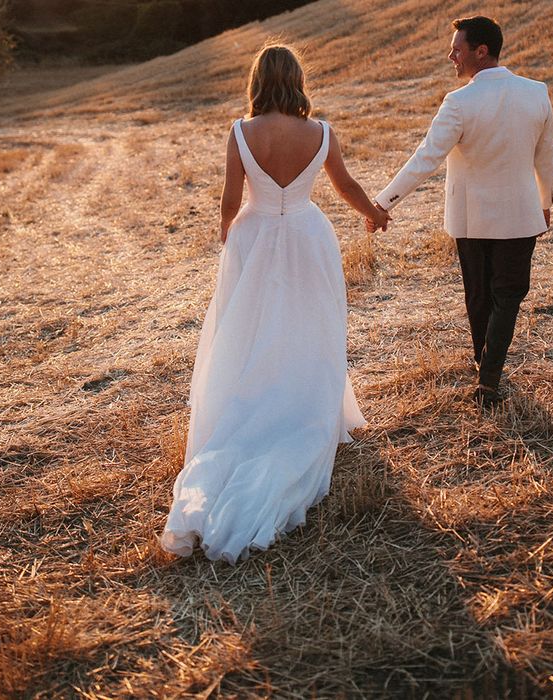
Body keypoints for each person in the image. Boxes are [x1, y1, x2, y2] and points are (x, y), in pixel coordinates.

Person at [161, 44, 390, 564]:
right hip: (309, 236)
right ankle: (304, 402)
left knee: (248, 332)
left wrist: (233, 240)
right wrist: (373, 213)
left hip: (254, 235)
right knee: (310, 326)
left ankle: (251, 403)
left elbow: (229, 199)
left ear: (258, 81)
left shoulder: (241, 133)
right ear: (297, 80)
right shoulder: (321, 132)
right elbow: (346, 185)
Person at [369, 16, 553, 408]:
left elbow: (426, 159)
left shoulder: (459, 102)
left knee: (479, 295)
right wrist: (544, 202)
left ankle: (485, 371)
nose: (450, 56)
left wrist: (383, 202)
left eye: (457, 48)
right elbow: (546, 155)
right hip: (522, 213)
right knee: (508, 294)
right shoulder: (536, 92)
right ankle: (488, 374)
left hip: (473, 219)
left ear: (481, 51)